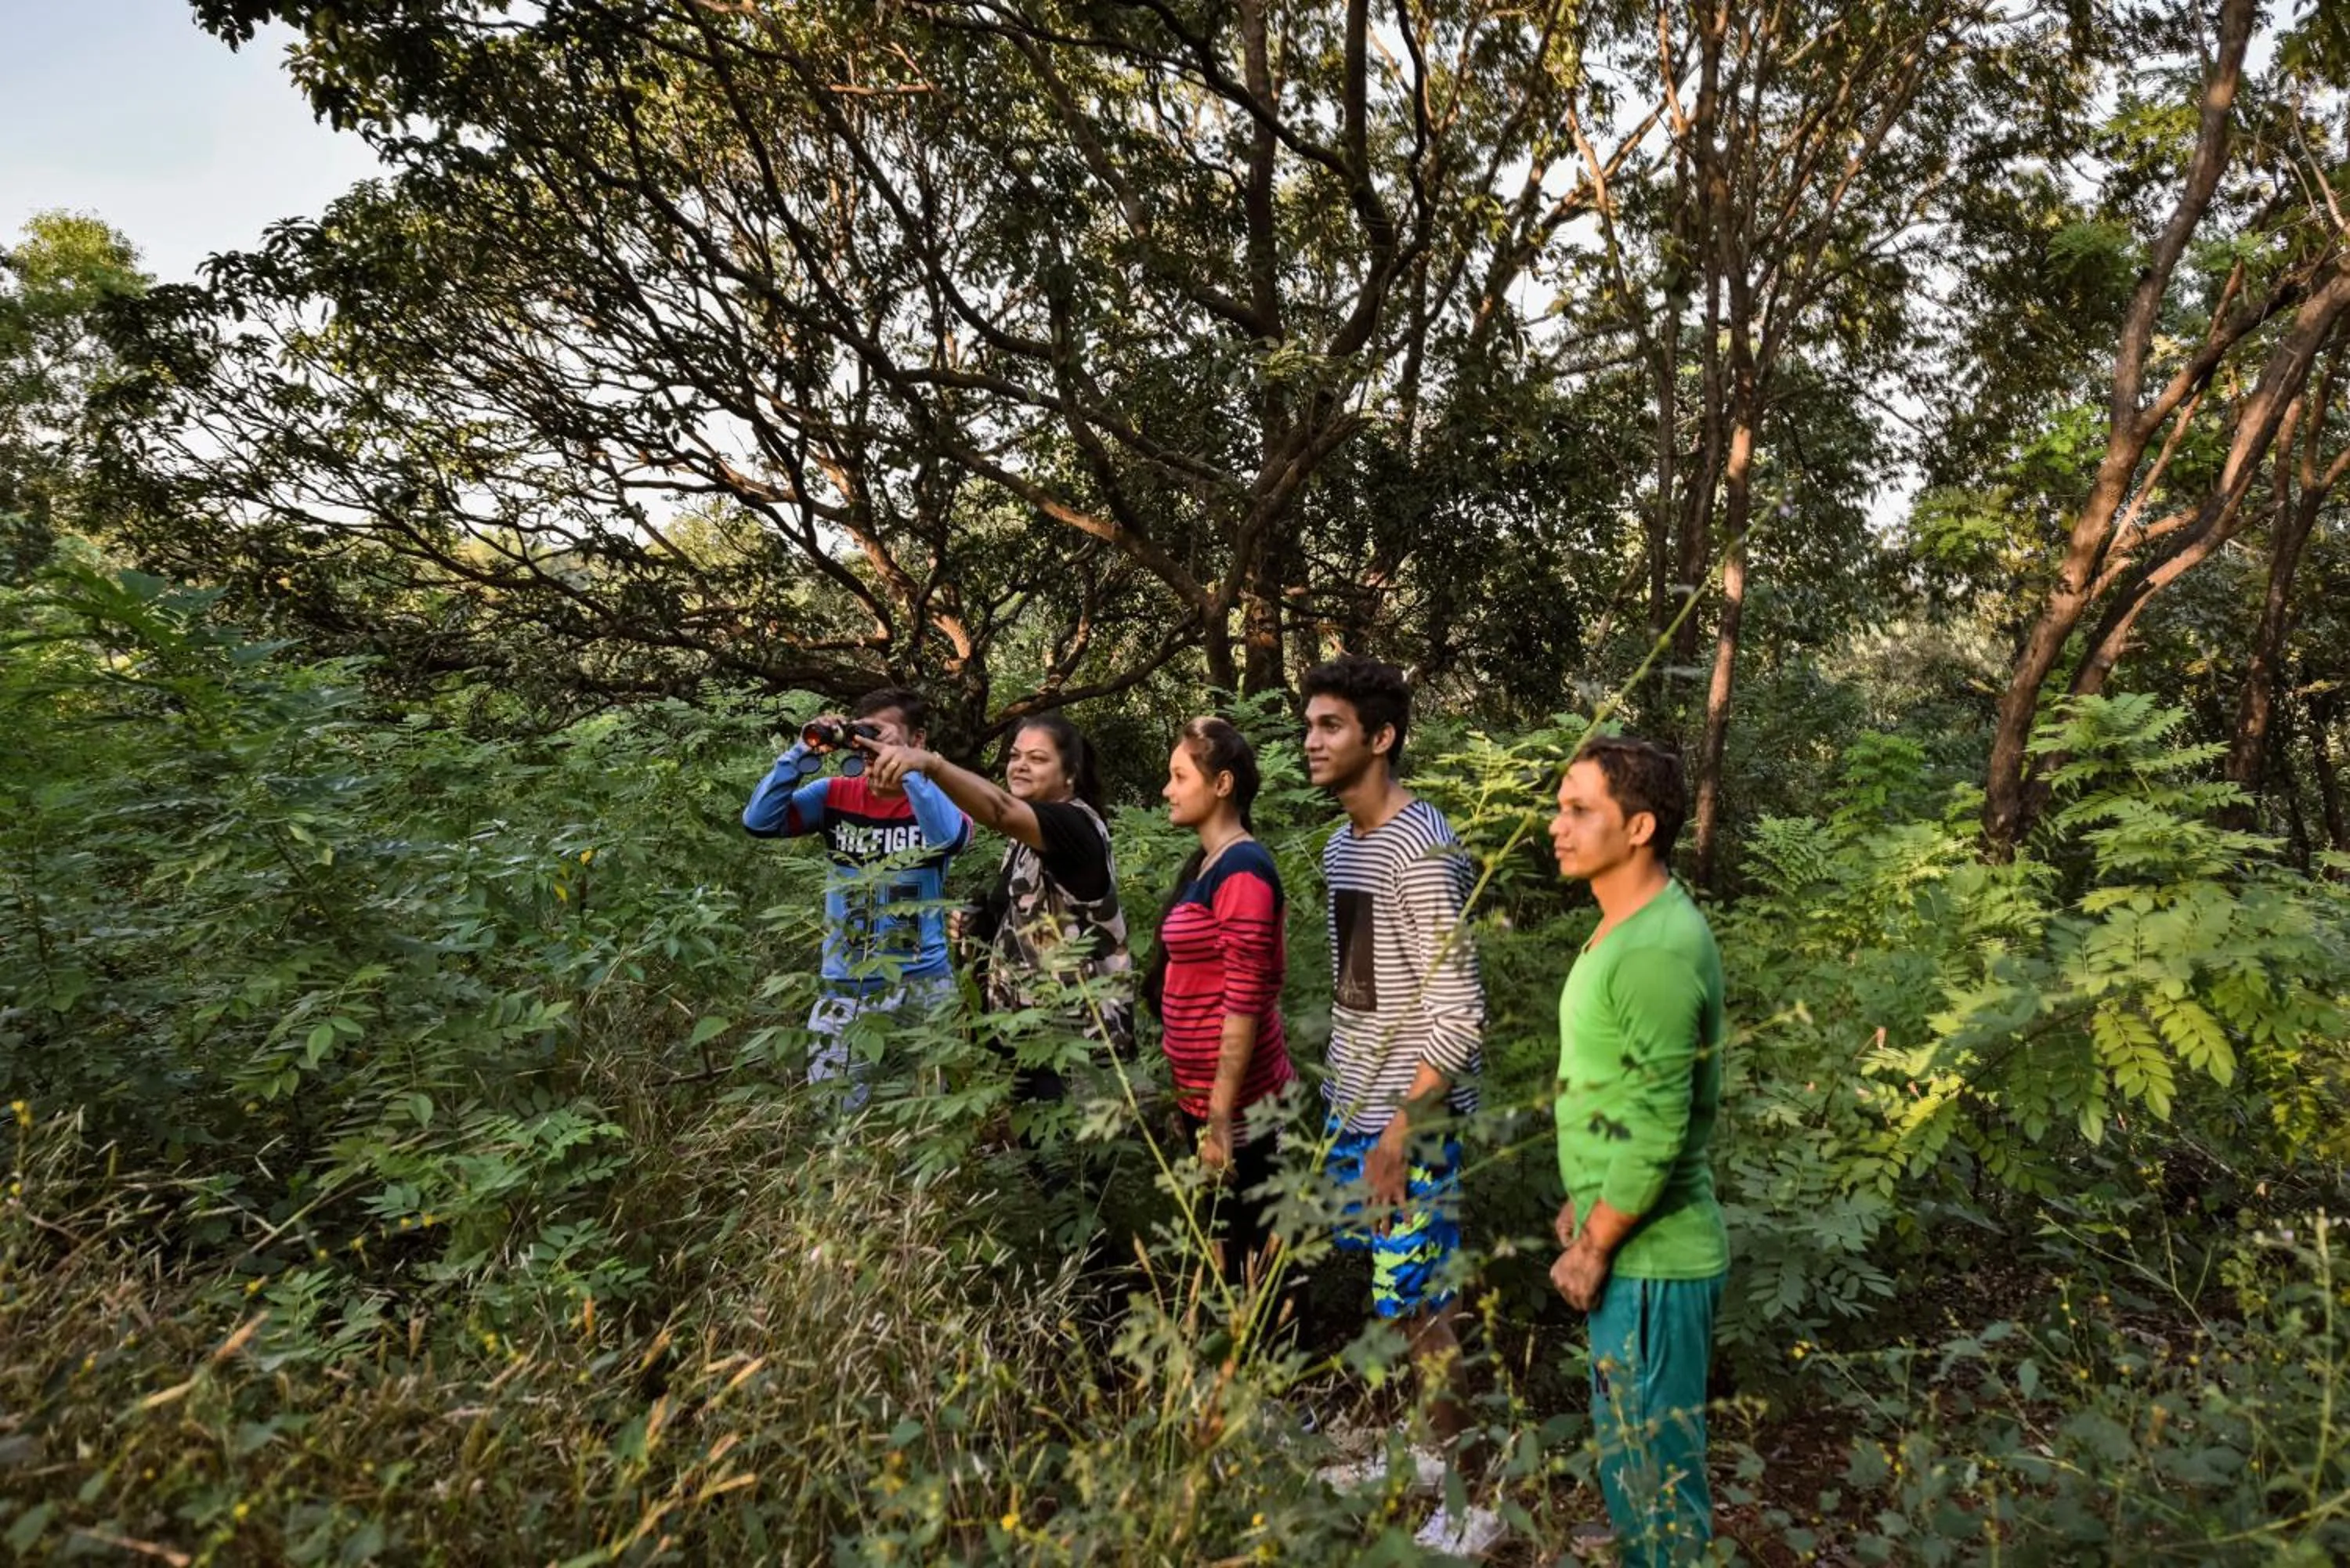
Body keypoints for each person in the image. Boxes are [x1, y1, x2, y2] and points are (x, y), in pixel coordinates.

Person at [1300, 654, 1496, 1554]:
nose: (1311, 741)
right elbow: (1364, 991)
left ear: (1381, 738)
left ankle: (1471, 1499)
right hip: (1358, 1105)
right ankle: (1424, 1453)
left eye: (1331, 726)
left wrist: (1399, 1129)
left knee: (1425, 1298)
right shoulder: (1345, 846)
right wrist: (1346, 1106)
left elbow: (1460, 1011)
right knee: (1397, 1291)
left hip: (1411, 1117)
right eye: (1309, 724)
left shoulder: (1421, 850)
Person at [1547, 735, 1728, 1567]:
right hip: (1631, 1239)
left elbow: (1658, 1124)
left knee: (1658, 1473)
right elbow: (1620, 1091)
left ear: (1640, 826)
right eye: (1560, 807)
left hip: (1654, 1256)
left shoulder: (1656, 949)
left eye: (1580, 810)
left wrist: (1596, 1242)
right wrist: (1584, 1195)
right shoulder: (1625, 926)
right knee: (1630, 1445)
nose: (1558, 825)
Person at [859, 714, 1133, 1122]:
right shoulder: (1026, 838)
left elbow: (1000, 810)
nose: (1020, 766)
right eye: (1015, 756)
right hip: (1024, 1032)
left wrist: (930, 763)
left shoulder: (1075, 827)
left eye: (1037, 759)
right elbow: (1021, 912)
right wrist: (977, 925)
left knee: (1079, 1153)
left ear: (1070, 774)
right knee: (1031, 1147)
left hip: (1079, 1038)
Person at [742, 687, 971, 1114]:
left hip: (923, 982)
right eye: (862, 734)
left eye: (880, 734)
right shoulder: (833, 794)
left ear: (918, 739)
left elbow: (952, 839)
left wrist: (910, 771)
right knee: (837, 1116)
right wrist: (802, 750)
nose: (868, 746)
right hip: (847, 986)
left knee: (932, 1115)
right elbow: (759, 822)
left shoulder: (938, 799)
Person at [1141, 717, 1296, 1279]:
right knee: (1221, 1253)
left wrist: (1220, 1119)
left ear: (1222, 784)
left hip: (1245, 1113)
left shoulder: (1244, 870)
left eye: (1180, 776)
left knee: (1257, 1265)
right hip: (1207, 1105)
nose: (1168, 789)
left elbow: (1245, 1003)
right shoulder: (1209, 865)